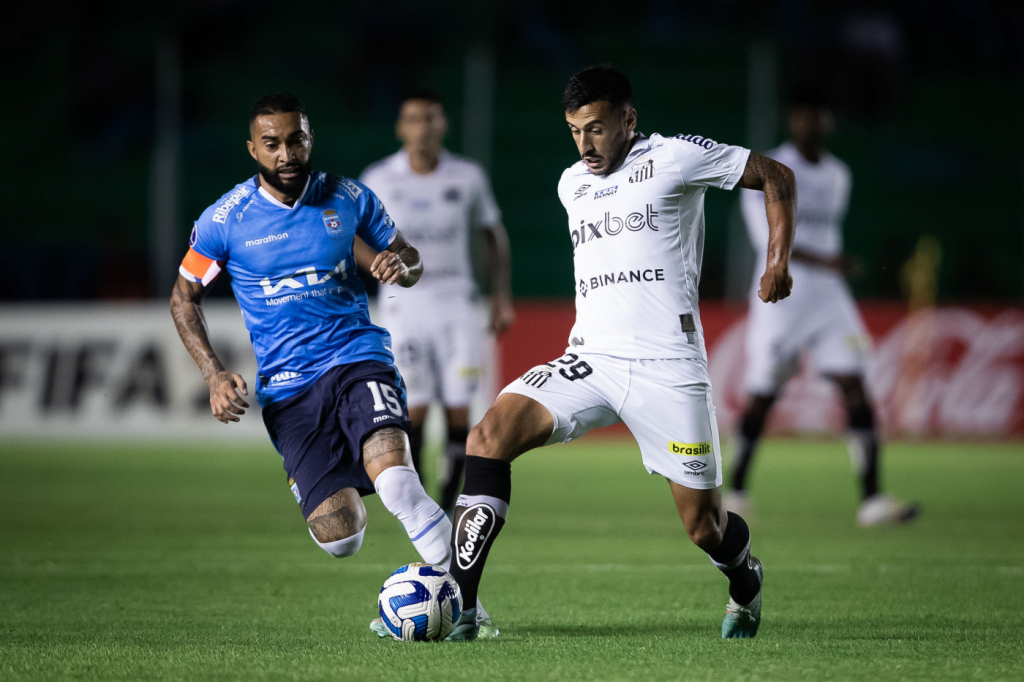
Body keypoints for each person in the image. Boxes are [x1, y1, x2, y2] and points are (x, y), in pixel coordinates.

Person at [441, 65, 797, 642]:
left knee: (704, 527)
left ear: (629, 119)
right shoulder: (571, 184)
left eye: (597, 129)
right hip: (591, 360)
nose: (585, 144)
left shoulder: (675, 157)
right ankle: (461, 607)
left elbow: (776, 174)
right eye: (575, 131)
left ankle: (745, 576)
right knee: (487, 438)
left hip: (669, 366)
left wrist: (777, 259)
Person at [168, 92, 496, 639]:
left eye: (296, 140)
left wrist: (401, 266)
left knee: (398, 485)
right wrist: (213, 373)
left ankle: (466, 610)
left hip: (357, 359)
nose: (286, 153)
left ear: (310, 139)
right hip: (289, 390)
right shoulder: (224, 221)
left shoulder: (349, 197)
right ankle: (425, 587)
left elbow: (410, 258)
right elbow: (183, 298)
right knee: (341, 538)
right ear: (253, 149)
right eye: (272, 144)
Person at [726, 88, 919, 527]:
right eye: (802, 115)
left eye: (817, 115)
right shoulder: (768, 169)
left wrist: (830, 266)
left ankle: (873, 499)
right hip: (781, 295)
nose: (809, 123)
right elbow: (765, 237)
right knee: (762, 394)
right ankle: (736, 490)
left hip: (829, 298)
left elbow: (826, 232)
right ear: (791, 120)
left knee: (855, 383)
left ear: (829, 121)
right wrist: (828, 261)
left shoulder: (837, 174)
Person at [359, 89, 514, 515]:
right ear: (400, 127)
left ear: (443, 124)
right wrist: (376, 266)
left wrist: (500, 295)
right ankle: (421, 500)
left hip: (456, 303)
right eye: (413, 119)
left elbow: (492, 233)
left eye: (430, 118)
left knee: (461, 407)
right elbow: (353, 237)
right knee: (414, 407)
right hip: (403, 305)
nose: (422, 128)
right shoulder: (379, 177)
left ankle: (448, 502)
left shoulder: (467, 176)